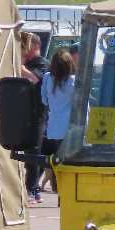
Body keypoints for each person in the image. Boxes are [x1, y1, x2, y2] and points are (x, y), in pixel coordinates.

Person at [39, 48, 75, 194]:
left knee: (56, 163)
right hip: (71, 129)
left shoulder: (47, 78)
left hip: (53, 128)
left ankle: (58, 190)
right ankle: (64, 194)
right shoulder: (73, 81)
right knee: (69, 165)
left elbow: (44, 100)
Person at [19, 31, 48, 202]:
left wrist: (18, 61)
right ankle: (31, 188)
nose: (24, 49)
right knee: (28, 152)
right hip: (23, 113)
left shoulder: (42, 64)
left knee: (34, 153)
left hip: (38, 114)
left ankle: (33, 189)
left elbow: (33, 79)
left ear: (35, 46)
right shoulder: (28, 63)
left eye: (26, 45)